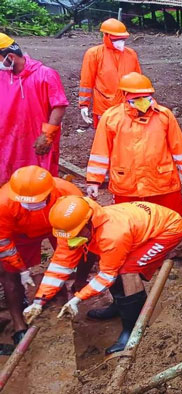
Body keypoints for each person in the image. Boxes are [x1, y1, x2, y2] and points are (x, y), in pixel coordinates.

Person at [24, 196, 182, 354]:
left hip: (167, 229)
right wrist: (39, 301)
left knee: (127, 270)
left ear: (89, 222)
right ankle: (119, 307)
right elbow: (60, 266)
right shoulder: (69, 229)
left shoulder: (112, 235)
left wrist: (77, 299)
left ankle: (134, 328)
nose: (73, 239)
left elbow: (107, 276)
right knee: (115, 264)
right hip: (140, 225)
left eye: (78, 233)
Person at [85, 72, 182, 216]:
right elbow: (100, 152)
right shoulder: (111, 118)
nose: (141, 101)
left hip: (162, 182)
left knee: (172, 219)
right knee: (129, 223)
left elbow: (179, 148)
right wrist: (94, 181)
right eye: (136, 97)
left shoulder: (164, 116)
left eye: (145, 96)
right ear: (124, 95)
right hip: (127, 184)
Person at [0, 166, 82, 346]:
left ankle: (72, 297)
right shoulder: (3, 203)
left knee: (74, 259)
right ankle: (19, 325)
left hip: (60, 225)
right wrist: (21, 269)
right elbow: (4, 242)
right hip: (20, 233)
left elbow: (80, 229)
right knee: (9, 274)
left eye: (36, 201)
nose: (31, 206)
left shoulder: (67, 193)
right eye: (26, 203)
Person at [0, 34, 68, 185]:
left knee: (37, 182)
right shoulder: (2, 76)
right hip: (7, 139)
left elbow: (59, 105)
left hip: (35, 139)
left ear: (10, 56)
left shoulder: (45, 74)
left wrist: (47, 135)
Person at [79, 18, 141, 129]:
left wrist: (141, 102)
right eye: (116, 39)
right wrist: (84, 104)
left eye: (122, 39)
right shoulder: (94, 54)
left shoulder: (131, 54)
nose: (120, 42)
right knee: (105, 139)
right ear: (106, 36)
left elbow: (138, 81)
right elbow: (86, 81)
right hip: (104, 107)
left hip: (127, 106)